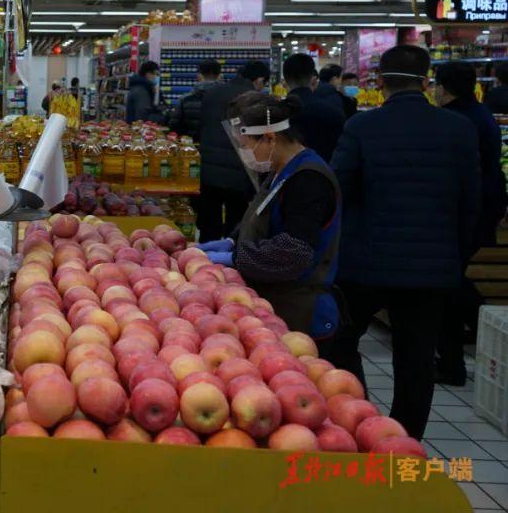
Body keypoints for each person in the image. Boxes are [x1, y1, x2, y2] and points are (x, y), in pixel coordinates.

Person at [328, 45, 480, 441]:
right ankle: (404, 440)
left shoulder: (362, 127)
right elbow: (471, 200)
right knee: (416, 358)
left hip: (366, 261)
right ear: (428, 81)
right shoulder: (458, 128)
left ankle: (357, 416)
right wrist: (457, 254)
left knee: (340, 339)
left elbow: (337, 189)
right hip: (432, 265)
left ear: (380, 82)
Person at [199, 92, 341, 339]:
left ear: (269, 138)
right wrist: (233, 240)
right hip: (270, 303)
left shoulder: (308, 179)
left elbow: (295, 250)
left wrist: (234, 257)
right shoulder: (279, 170)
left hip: (298, 310)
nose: (244, 153)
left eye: (245, 146)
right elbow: (261, 215)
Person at [433, 62, 508, 384]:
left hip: (467, 214)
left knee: (448, 283)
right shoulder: (481, 116)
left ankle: (454, 361)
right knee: (450, 281)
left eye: (435, 86)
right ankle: (453, 360)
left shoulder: (457, 122)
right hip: (481, 210)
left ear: (444, 88)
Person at [196, 60, 270, 241]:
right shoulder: (254, 100)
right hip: (239, 171)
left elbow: (201, 127)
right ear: (259, 80)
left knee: (209, 224)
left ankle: (204, 260)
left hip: (208, 169)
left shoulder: (212, 93)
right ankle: (228, 264)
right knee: (235, 225)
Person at [282, 54, 345, 163]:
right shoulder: (334, 113)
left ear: (285, 80)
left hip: (287, 176)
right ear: (312, 79)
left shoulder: (277, 113)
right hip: (324, 173)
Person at [167, 59, 221, 140]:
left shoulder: (185, 99)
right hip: (219, 148)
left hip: (192, 148)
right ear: (220, 76)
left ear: (199, 76)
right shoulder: (229, 98)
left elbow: (174, 126)